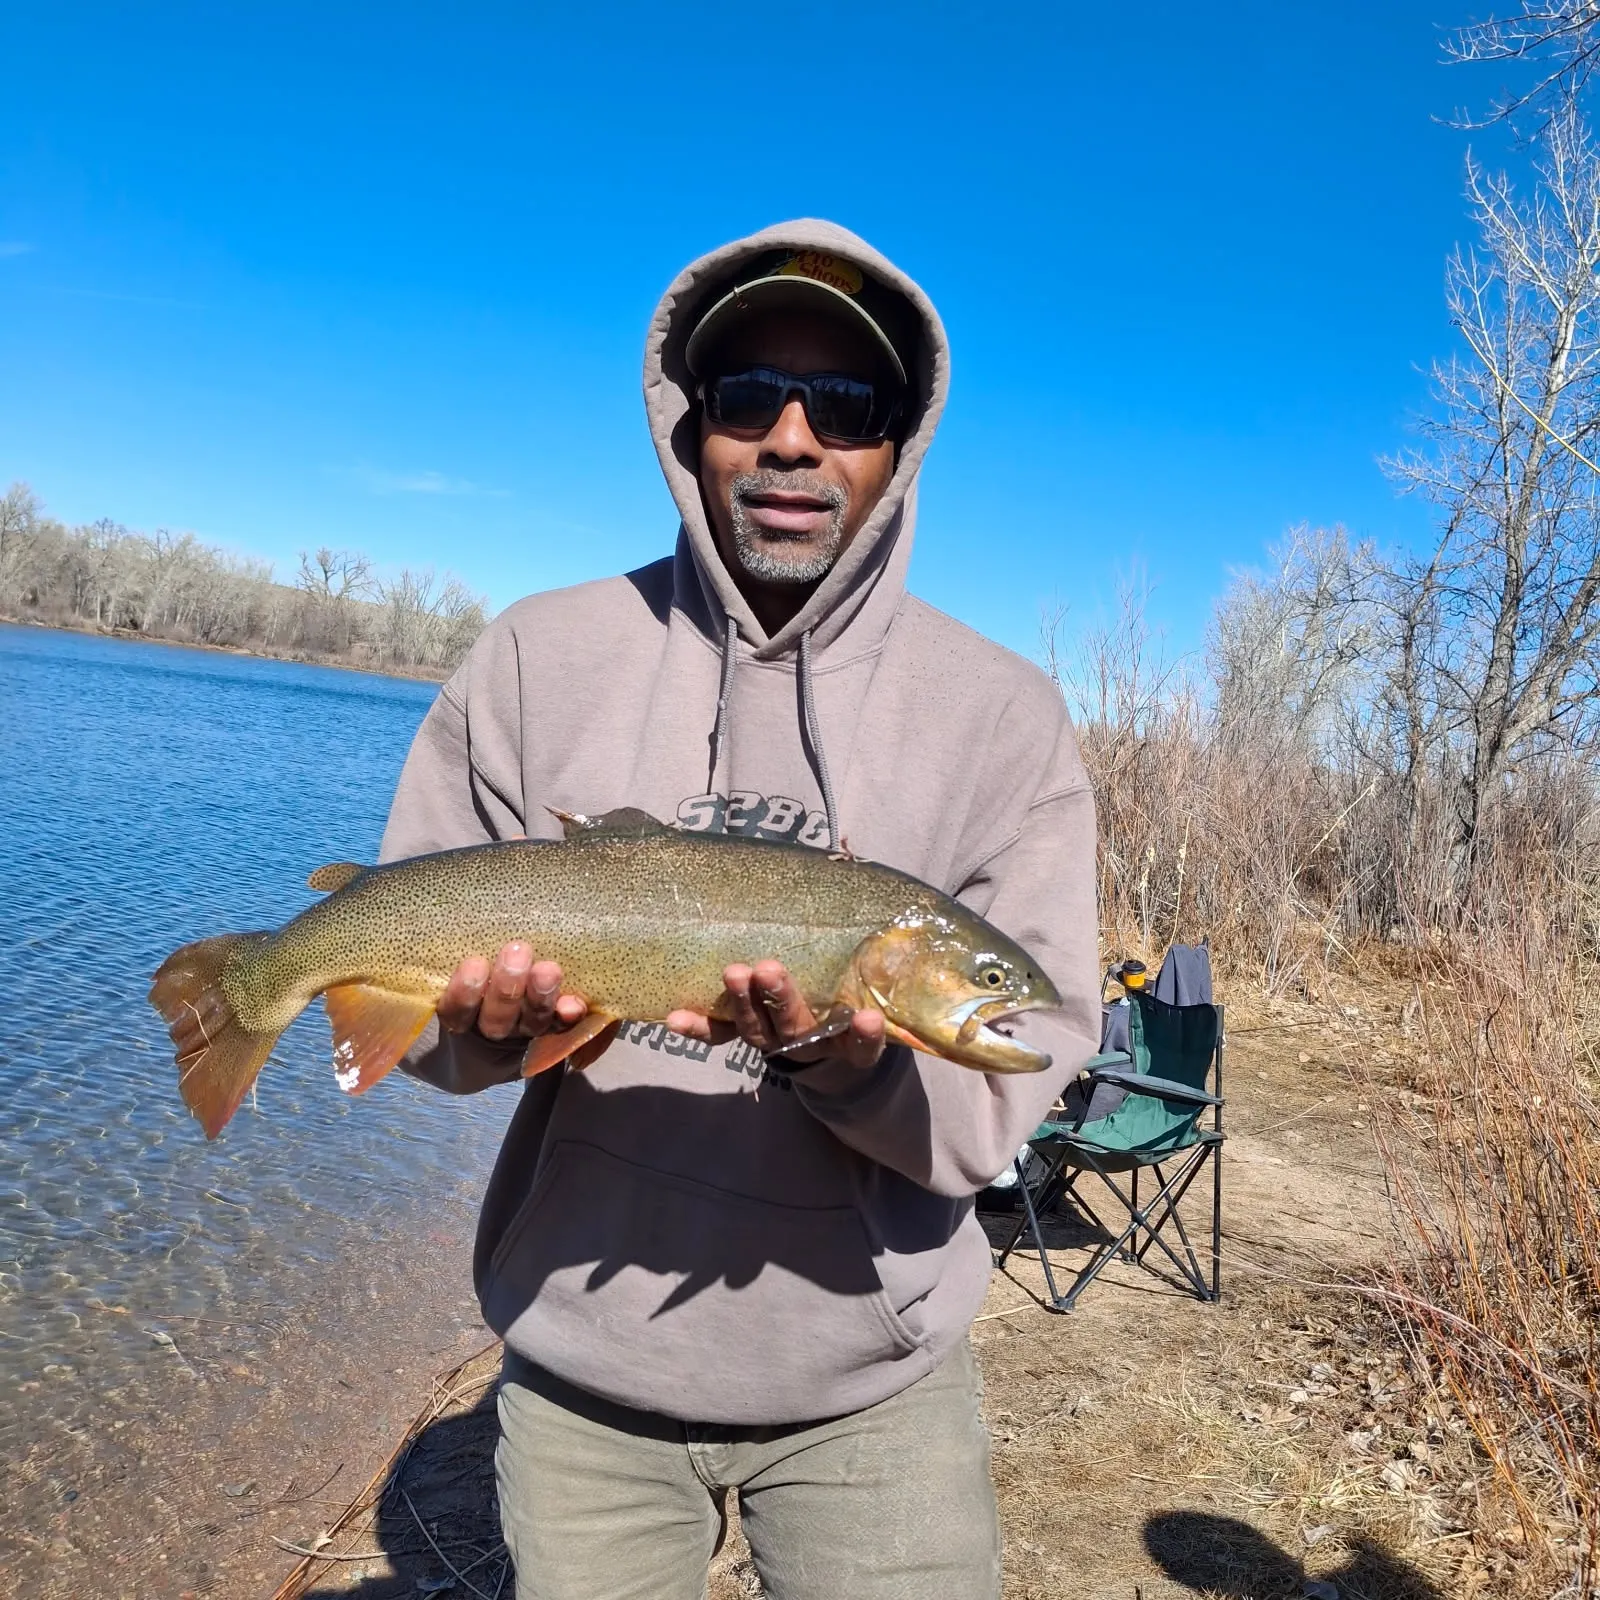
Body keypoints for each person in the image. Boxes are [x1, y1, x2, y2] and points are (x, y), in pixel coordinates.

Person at [379, 220, 1101, 1600]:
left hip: (870, 1376)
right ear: (686, 425)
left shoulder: (1004, 719)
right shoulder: (539, 656)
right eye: (746, 395)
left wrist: (850, 1060)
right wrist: (477, 1032)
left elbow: (1023, 1074)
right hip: (585, 1361)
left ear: (899, 448)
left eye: (845, 405)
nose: (790, 438)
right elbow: (426, 1031)